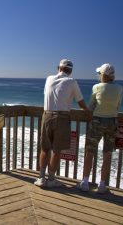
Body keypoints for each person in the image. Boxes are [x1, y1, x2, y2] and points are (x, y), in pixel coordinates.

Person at [35, 59, 88, 188]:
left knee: (44, 148)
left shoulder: (49, 79)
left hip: (47, 115)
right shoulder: (72, 82)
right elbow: (80, 102)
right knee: (56, 150)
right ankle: (51, 179)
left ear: (58, 68)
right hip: (62, 118)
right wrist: (87, 111)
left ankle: (41, 178)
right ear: (70, 71)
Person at [78, 63, 123, 193]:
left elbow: (91, 106)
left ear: (103, 75)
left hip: (97, 121)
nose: (98, 75)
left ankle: (85, 182)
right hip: (112, 122)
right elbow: (118, 105)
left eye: (99, 73)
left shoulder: (96, 87)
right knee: (107, 153)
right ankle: (102, 185)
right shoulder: (119, 88)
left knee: (90, 151)